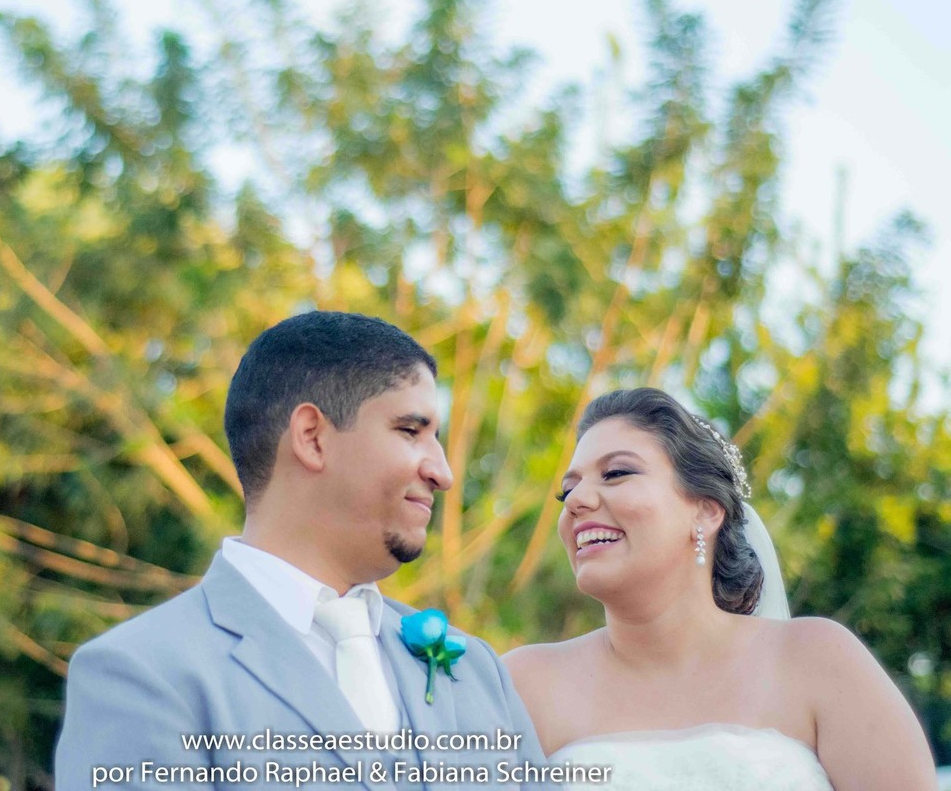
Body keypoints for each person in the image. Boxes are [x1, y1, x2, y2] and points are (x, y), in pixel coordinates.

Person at [55, 311, 547, 790]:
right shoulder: (142, 674)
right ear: (312, 437)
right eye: (411, 431)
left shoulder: (478, 671)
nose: (443, 472)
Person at [505, 387, 938, 790]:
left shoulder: (819, 659)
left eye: (615, 473)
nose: (577, 500)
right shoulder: (520, 686)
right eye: (567, 491)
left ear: (707, 512)